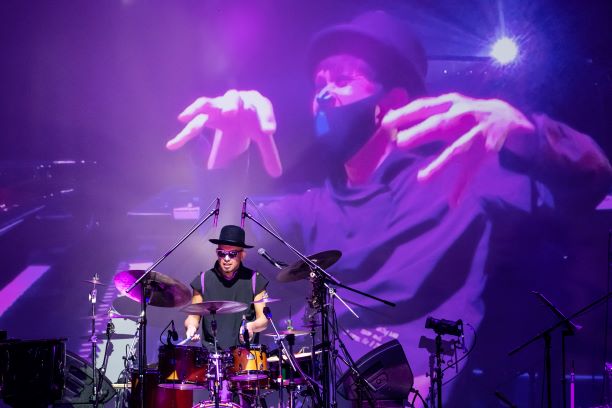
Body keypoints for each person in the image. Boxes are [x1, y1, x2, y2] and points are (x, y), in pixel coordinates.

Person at [171, 11, 612, 407]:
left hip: (417, 392)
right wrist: (228, 155)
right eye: (320, 81)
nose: (324, 94)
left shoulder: (460, 177)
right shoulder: (313, 207)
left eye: (342, 79)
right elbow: (226, 254)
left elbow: (592, 181)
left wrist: (528, 134)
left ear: (391, 102)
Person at [184, 225, 269, 405]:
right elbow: (193, 316)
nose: (226, 259)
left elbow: (263, 319)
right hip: (212, 358)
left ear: (242, 255)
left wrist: (251, 326)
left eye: (232, 254)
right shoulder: (203, 280)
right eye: (222, 253)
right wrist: (190, 328)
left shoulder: (254, 279)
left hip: (244, 357)